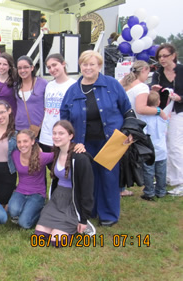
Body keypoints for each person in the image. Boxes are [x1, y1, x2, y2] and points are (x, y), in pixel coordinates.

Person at [61, 50, 132, 227]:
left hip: (110, 140)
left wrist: (130, 131)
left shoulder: (112, 85)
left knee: (109, 177)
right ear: (80, 66)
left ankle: (108, 214)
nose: (88, 67)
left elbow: (128, 110)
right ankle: (89, 210)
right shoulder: (72, 91)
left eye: (92, 64)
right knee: (88, 178)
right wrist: (72, 142)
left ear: (99, 66)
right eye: (84, 64)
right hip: (83, 143)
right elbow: (64, 120)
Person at [35, 120, 95, 246]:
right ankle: (57, 224)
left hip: (73, 202)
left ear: (70, 135)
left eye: (61, 133)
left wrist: (83, 219)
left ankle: (81, 223)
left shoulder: (80, 158)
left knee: (55, 242)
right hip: (57, 199)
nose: (56, 136)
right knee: (39, 237)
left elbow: (87, 190)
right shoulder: (56, 153)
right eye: (54, 133)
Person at [119, 60, 167, 197]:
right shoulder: (141, 87)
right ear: (145, 70)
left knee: (122, 158)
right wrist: (159, 111)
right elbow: (141, 108)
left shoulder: (124, 84)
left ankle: (120, 187)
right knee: (131, 159)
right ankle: (126, 188)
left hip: (123, 123)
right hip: (134, 125)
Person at [151, 43, 183, 195]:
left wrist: (179, 98)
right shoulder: (158, 73)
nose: (162, 59)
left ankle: (180, 181)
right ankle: (169, 176)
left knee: (175, 145)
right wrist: (154, 90)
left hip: (179, 112)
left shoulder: (181, 71)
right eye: (159, 57)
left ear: (173, 56)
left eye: (165, 56)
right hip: (163, 113)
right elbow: (152, 89)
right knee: (165, 144)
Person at [7, 129, 53, 229]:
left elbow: (59, 154)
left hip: (37, 193)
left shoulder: (41, 157)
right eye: (19, 142)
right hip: (20, 191)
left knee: (24, 224)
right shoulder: (15, 154)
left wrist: (76, 147)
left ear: (32, 141)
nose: (22, 145)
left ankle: (43, 210)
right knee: (13, 211)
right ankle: (26, 210)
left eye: (25, 141)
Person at [39, 54, 76, 153]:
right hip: (46, 136)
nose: (52, 69)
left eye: (54, 65)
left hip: (62, 136)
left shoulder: (73, 85)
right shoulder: (49, 85)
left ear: (63, 64)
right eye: (49, 67)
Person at [139, 91, 168, 200]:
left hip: (150, 149)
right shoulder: (162, 116)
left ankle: (149, 192)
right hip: (162, 148)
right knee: (161, 172)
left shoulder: (144, 118)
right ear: (159, 101)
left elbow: (144, 133)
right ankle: (161, 191)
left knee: (148, 171)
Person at [15, 55, 47, 132]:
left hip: (38, 128)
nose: (22, 70)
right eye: (19, 68)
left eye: (26, 67)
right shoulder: (16, 85)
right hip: (20, 128)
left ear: (32, 68)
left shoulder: (42, 83)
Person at [0, 53, 17, 119]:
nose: (1, 67)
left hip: (10, 119)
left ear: (10, 66)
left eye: (5, 64)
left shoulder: (15, 82)